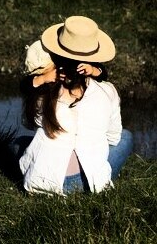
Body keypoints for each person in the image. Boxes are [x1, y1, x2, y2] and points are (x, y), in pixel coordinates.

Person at [17, 16, 133, 195]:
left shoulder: (45, 92)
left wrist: (42, 77)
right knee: (125, 137)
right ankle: (98, 178)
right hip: (85, 184)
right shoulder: (107, 91)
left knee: (25, 142)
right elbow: (114, 138)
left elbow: (29, 119)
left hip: (42, 183)